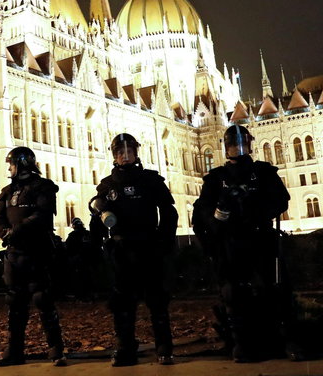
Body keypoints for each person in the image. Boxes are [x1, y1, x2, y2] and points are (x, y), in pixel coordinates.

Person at [193, 124, 303, 363]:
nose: (237, 149)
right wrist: (220, 213)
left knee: (278, 289)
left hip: (261, 238)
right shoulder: (216, 178)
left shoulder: (263, 172)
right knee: (234, 293)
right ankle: (242, 344)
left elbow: (281, 200)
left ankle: (289, 340)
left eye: (241, 144)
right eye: (233, 145)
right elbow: (201, 211)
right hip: (231, 242)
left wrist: (255, 208)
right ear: (226, 148)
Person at [90, 133, 178, 367]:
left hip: (149, 246)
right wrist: (96, 243)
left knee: (156, 299)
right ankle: (125, 346)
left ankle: (164, 346)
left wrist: (165, 241)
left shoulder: (150, 180)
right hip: (121, 248)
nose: (125, 156)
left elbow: (169, 212)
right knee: (122, 302)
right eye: (121, 152)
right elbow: (96, 215)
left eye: (129, 152)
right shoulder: (108, 184)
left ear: (136, 153)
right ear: (115, 155)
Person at [0, 146, 67, 367]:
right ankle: (14, 351)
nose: (9, 169)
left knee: (42, 299)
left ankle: (56, 349)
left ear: (21, 164)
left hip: (37, 250)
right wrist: (4, 232)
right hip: (14, 253)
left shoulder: (43, 187)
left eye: (11, 165)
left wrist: (18, 230)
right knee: (15, 303)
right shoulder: (8, 191)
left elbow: (42, 215)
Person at [64, 218, 95, 301]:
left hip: (78, 260)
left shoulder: (72, 235)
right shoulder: (87, 234)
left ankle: (80, 294)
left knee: (78, 277)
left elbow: (67, 248)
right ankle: (89, 293)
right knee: (87, 276)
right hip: (87, 259)